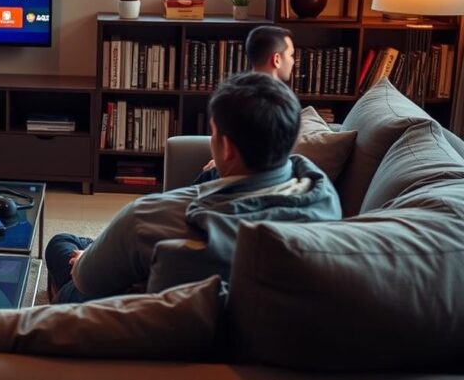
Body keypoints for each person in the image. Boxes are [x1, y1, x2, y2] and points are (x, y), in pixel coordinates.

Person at [45, 72, 341, 304]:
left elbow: (85, 280)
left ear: (226, 146)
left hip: (125, 305)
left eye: (212, 134)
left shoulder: (148, 218)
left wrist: (85, 262)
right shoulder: (324, 195)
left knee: (61, 244)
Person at [192, 25, 296, 183]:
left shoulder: (231, 93)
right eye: (291, 55)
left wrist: (225, 163)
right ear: (276, 59)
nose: (293, 61)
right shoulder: (287, 102)